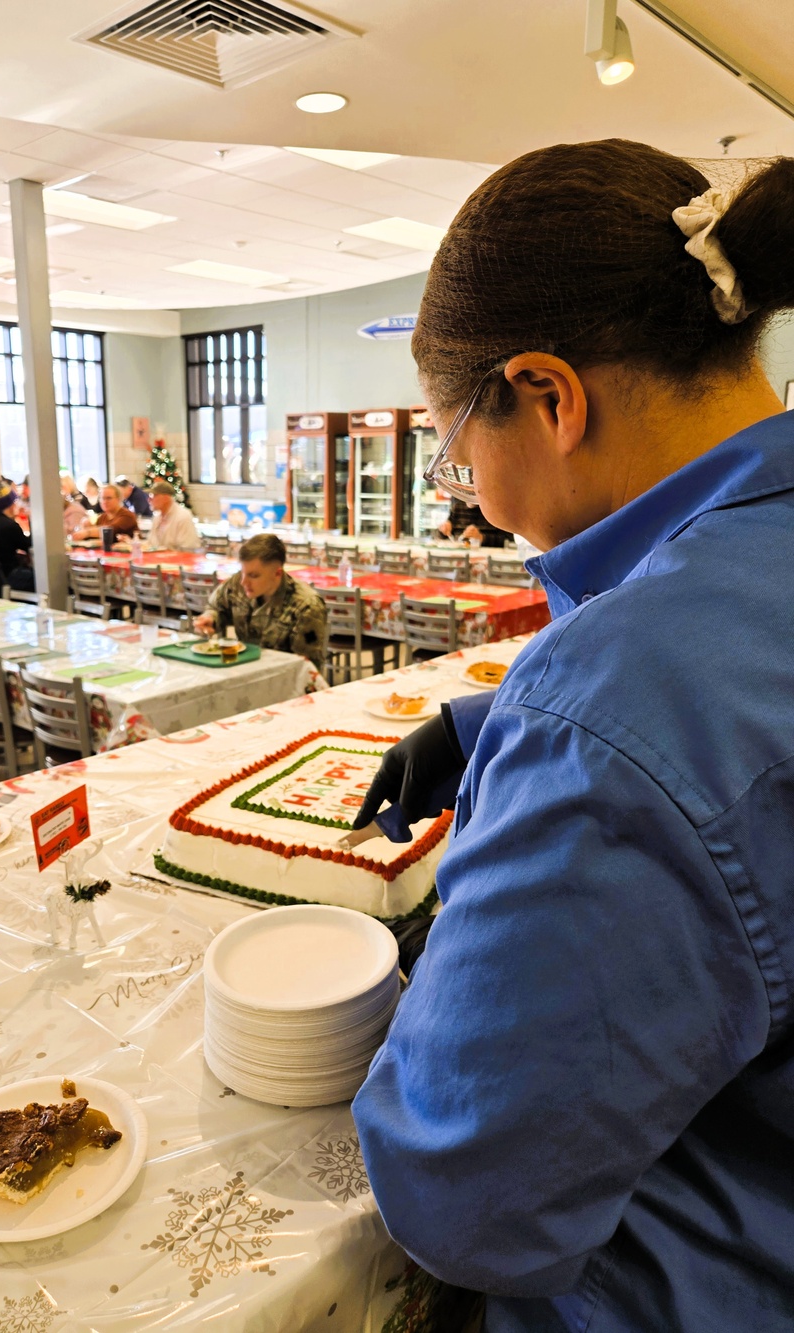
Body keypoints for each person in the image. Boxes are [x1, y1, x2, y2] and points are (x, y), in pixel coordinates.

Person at [350, 139, 794, 1333]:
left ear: (548, 396)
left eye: (458, 456)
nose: (478, 503)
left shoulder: (608, 709)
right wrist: (493, 725)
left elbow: (466, 1196)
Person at [193, 533, 328, 670]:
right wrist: (210, 618)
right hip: (242, 668)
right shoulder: (237, 584)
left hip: (280, 676)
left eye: (253, 576)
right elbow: (216, 607)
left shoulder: (306, 606)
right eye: (242, 573)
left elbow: (305, 668)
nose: (243, 582)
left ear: (277, 573)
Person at [146, 481, 200, 551]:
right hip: (158, 557)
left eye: (153, 496)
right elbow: (150, 544)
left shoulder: (183, 516)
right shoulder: (157, 517)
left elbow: (188, 548)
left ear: (165, 498)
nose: (149, 500)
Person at [72, 484, 138, 541]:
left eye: (109, 498)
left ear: (118, 499)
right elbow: (96, 535)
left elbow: (110, 530)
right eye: (102, 498)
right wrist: (87, 526)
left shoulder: (127, 516)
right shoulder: (103, 517)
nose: (105, 502)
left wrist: (87, 532)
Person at [436, 497, 508, 546]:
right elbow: (443, 536)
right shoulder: (458, 507)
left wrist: (481, 537)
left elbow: (507, 540)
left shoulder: (493, 509)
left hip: (487, 557)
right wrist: (443, 530)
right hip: (460, 555)